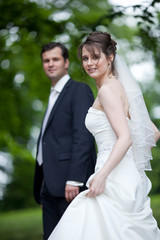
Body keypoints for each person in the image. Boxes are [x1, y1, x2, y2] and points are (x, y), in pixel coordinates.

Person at [47, 31, 160, 240]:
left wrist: (101, 176)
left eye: (95, 57)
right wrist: (130, 161)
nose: (89, 63)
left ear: (110, 58)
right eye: (85, 58)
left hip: (112, 176)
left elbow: (125, 137)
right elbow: (153, 132)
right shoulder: (120, 87)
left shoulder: (107, 91)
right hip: (126, 174)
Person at [33, 42, 96, 240]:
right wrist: (45, 184)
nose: (50, 64)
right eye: (46, 60)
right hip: (49, 187)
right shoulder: (52, 96)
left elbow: (83, 136)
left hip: (70, 186)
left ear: (66, 62)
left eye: (55, 59)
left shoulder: (79, 91)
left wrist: (74, 179)